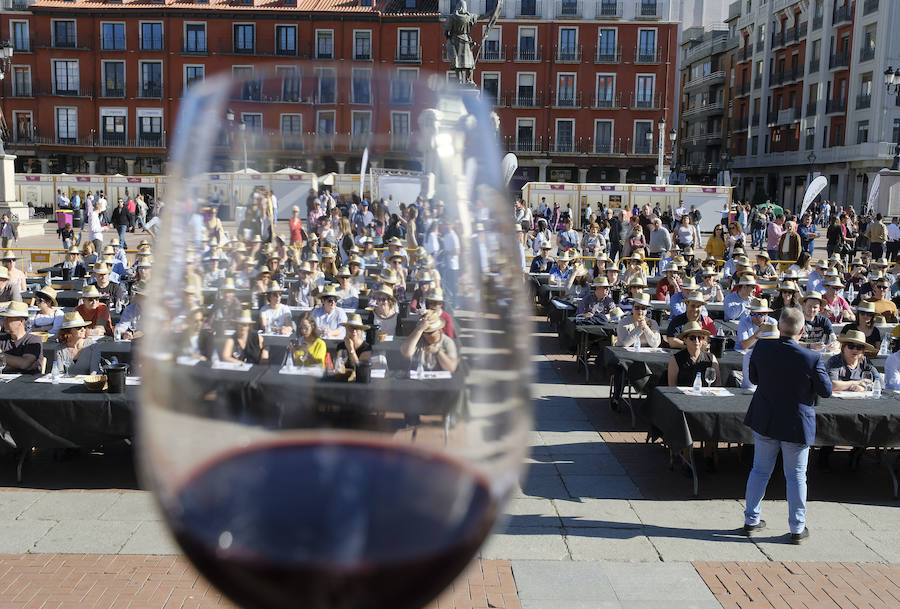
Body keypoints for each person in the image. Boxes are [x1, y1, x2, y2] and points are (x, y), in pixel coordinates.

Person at [742, 307, 831, 544]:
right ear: (802, 330)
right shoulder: (811, 357)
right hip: (796, 422)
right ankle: (797, 527)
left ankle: (751, 520)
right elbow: (826, 390)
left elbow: (754, 379)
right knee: (796, 476)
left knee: (759, 470)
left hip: (766, 417)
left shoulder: (762, 346)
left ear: (779, 326)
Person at [666, 321, 720, 387]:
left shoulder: (711, 358)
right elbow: (672, 385)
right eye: (692, 338)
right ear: (685, 340)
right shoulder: (675, 359)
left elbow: (717, 383)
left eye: (700, 338)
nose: (696, 341)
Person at [0, 301, 43, 374]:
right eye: (4, 318)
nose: (4, 321)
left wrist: (1, 356)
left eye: (8, 319)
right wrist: (20, 366)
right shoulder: (2, 339)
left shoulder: (33, 340)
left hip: (26, 383)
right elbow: (26, 366)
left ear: (21, 321)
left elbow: (24, 364)